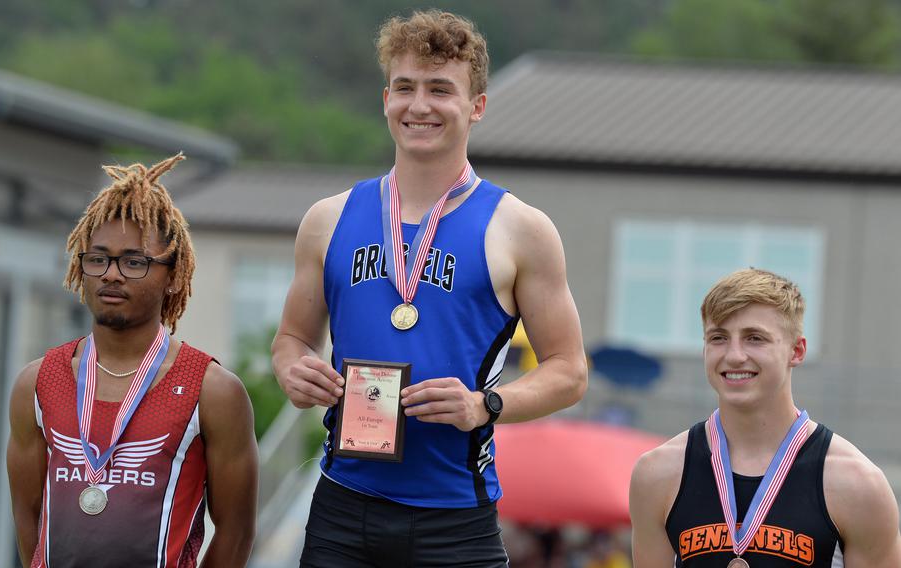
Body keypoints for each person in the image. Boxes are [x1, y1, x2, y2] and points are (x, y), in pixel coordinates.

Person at [271, 9, 587, 567]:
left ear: (476, 106)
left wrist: (484, 404)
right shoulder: (328, 219)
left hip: (457, 520)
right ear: (385, 99)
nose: (419, 106)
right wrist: (293, 370)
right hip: (343, 510)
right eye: (405, 88)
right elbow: (291, 340)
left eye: (440, 89)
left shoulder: (521, 229)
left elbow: (569, 371)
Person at [7, 154, 259, 568]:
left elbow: (235, 531)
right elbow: (27, 513)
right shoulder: (36, 382)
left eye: (134, 261)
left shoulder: (213, 391)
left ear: (174, 275)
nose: (111, 274)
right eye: (98, 258)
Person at [629, 268, 901, 566]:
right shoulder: (658, 474)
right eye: (718, 337)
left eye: (754, 338)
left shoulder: (857, 484)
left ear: (796, 351)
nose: (734, 355)